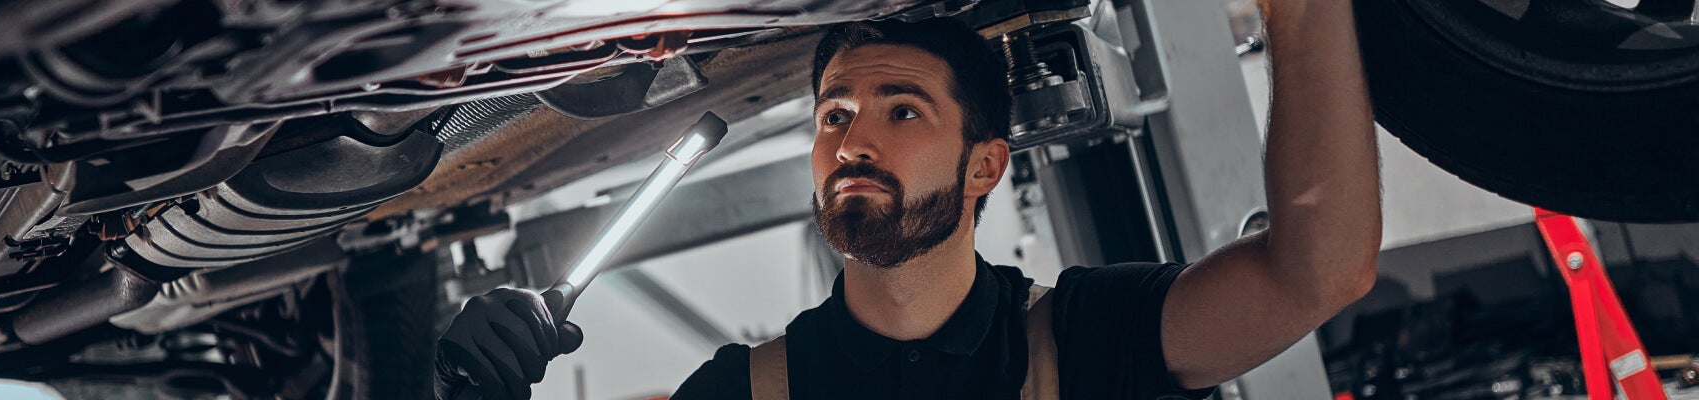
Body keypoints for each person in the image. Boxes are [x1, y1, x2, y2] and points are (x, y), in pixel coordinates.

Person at [435, 0, 1378, 397]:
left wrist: (1299, 10)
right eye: (835, 112)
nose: (854, 136)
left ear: (985, 167)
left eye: (902, 109)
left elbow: (1319, 270)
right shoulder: (739, 394)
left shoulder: (1092, 342)